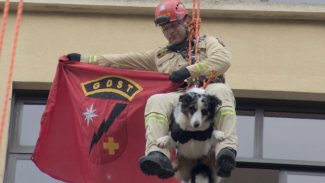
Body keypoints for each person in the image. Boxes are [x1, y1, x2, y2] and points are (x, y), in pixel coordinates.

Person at [67, 0, 237, 179]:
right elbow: (122, 61)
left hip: (208, 93)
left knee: (222, 91)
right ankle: (157, 155)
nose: (170, 32)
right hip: (182, 101)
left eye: (173, 26)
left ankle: (225, 150)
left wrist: (187, 71)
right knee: (155, 100)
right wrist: (85, 59)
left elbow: (222, 60)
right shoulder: (159, 56)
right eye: (165, 29)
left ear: (186, 21)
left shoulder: (207, 42)